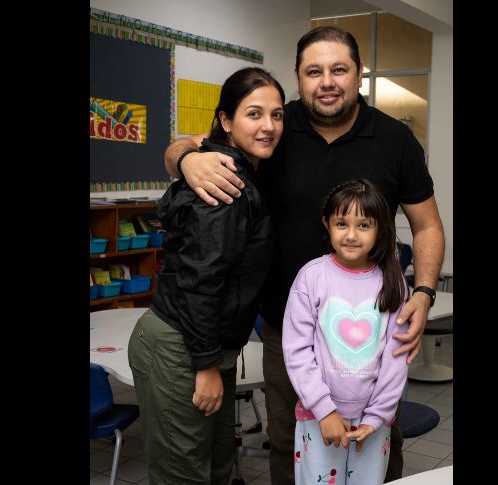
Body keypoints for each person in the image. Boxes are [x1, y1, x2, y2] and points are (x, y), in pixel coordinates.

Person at [163, 26, 445, 484]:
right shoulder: (273, 128)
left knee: (377, 440)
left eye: (339, 70)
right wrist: (186, 160)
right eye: (314, 72)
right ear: (298, 76)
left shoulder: (395, 140)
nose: (327, 82)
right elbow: (190, 145)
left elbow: (428, 225)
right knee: (287, 440)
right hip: (287, 330)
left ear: (359, 74)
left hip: (373, 327)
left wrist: (425, 293)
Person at [128, 67, 285, 485]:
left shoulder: (239, 168)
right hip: (183, 348)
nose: (268, 126)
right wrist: (206, 366)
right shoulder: (225, 184)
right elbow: (201, 282)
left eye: (277, 115)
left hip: (207, 347)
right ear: (226, 121)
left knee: (216, 468)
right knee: (183, 476)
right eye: (254, 113)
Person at [284, 179, 409, 485]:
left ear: (380, 229)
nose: (351, 235)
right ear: (326, 224)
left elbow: (396, 359)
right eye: (342, 223)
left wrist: (377, 417)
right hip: (319, 417)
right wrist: (325, 411)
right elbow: (297, 352)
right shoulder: (311, 278)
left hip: (372, 422)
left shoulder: (393, 283)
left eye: (363, 225)